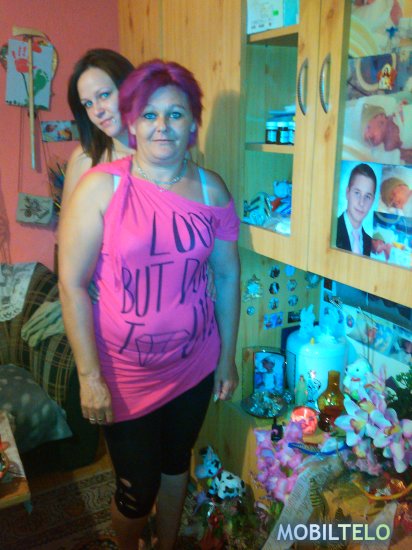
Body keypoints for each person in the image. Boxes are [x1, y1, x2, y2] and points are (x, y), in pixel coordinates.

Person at [58, 59, 241, 550]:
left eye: (175, 114)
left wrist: (226, 357)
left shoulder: (213, 189)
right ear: (133, 123)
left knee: (176, 464)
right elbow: (71, 283)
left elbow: (227, 275)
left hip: (194, 364)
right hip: (124, 374)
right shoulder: (101, 186)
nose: (163, 126)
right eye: (150, 115)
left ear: (192, 123)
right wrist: (89, 376)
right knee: (136, 491)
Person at [62, 48, 135, 214]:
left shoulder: (162, 150)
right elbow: (68, 227)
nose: (97, 111)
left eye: (104, 95)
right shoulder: (85, 158)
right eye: (88, 104)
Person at [336, 163, 377, 256]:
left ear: (372, 201)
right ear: (347, 193)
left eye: (367, 196)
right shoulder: (329, 229)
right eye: (357, 193)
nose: (361, 203)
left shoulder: (370, 244)